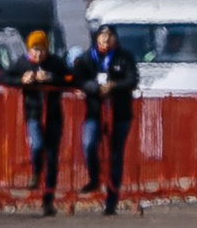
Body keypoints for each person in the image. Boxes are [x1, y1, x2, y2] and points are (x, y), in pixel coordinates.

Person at [75, 23, 139, 215]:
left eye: (110, 35)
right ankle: (94, 178)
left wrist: (114, 85)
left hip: (119, 113)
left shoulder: (124, 57)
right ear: (96, 38)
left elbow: (132, 80)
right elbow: (77, 78)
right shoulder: (86, 58)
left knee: (115, 156)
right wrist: (92, 87)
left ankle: (111, 200)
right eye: (103, 35)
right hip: (94, 112)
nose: (106, 39)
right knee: (88, 144)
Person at [12, 30, 69, 217]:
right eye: (35, 50)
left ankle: (48, 200)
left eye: (41, 49)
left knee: (52, 158)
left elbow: (71, 78)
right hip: (33, 114)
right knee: (37, 146)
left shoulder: (55, 63)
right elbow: (4, 77)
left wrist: (53, 79)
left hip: (53, 115)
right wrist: (22, 80)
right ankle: (36, 172)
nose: (38, 54)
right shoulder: (22, 62)